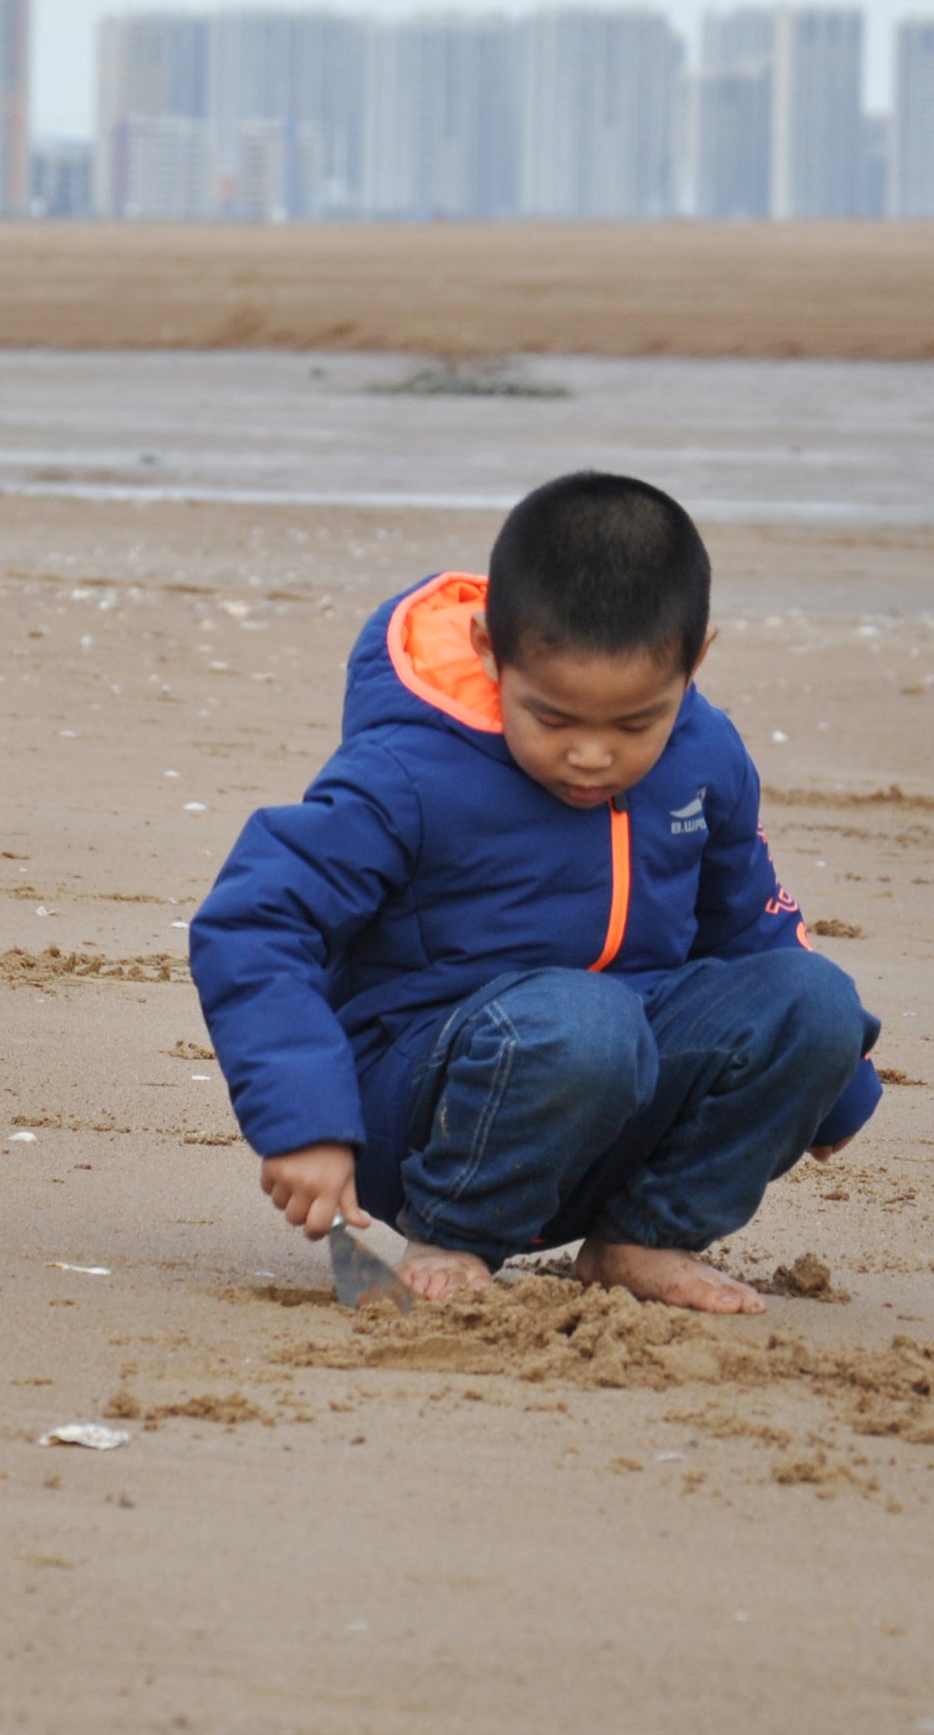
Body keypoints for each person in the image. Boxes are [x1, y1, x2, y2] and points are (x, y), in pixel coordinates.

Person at [191, 472, 879, 1313]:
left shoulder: (706, 754)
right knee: (583, 1020)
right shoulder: (409, 770)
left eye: (633, 723)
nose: (591, 754)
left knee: (817, 1002)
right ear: (489, 650)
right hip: (424, 1111)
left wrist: (827, 1077)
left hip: (613, 1101)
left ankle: (643, 1236)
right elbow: (256, 920)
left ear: (693, 661)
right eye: (552, 718)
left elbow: (747, 925)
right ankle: (454, 1232)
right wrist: (304, 1117)